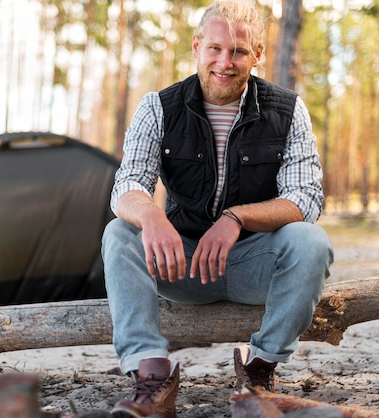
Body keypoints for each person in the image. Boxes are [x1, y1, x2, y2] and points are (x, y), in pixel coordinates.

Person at [100, 0, 334, 417]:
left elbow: (305, 199)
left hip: (254, 268)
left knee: (310, 240)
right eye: (215, 49)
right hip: (180, 266)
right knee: (119, 231)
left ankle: (258, 373)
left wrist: (237, 217)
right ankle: (152, 379)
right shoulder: (158, 107)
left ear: (257, 54)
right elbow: (128, 185)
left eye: (239, 52)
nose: (225, 62)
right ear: (196, 46)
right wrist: (152, 215)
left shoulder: (287, 110)